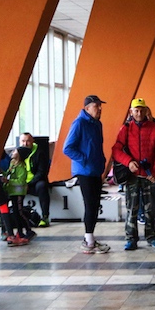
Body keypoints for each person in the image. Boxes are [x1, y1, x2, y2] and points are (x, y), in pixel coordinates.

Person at [113, 98, 155, 250]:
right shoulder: (125, 129)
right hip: (132, 177)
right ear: (131, 111)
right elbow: (116, 150)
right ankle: (131, 238)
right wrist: (128, 162)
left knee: (151, 208)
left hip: (149, 176)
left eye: (142, 110)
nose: (139, 113)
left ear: (146, 110)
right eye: (136, 110)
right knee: (132, 208)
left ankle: (151, 237)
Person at [63, 94, 110, 254]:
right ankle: (88, 241)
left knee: (95, 205)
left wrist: (101, 161)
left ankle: (90, 239)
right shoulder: (79, 123)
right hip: (84, 171)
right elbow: (67, 148)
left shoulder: (97, 124)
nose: (100, 109)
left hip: (96, 170)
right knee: (90, 205)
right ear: (87, 108)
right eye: (96, 106)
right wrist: (84, 159)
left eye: (100, 106)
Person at [2, 145, 34, 246]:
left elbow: (20, 181)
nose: (13, 152)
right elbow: (8, 173)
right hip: (12, 191)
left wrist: (9, 181)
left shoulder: (21, 167)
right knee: (15, 213)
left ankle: (28, 230)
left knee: (19, 212)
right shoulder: (12, 164)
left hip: (18, 193)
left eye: (15, 151)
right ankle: (20, 232)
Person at [19, 132, 51, 227]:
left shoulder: (39, 153)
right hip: (21, 183)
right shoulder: (17, 153)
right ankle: (6, 216)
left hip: (34, 184)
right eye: (23, 141)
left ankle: (45, 217)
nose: (25, 144)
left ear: (32, 141)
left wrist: (29, 184)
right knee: (8, 189)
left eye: (28, 141)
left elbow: (41, 173)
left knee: (42, 186)